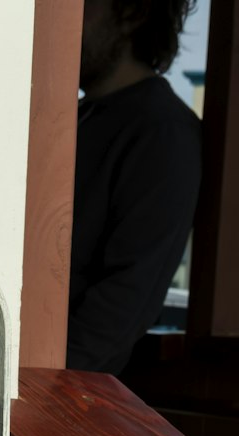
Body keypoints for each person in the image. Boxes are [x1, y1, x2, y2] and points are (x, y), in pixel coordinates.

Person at [67, 0, 202, 375]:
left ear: (132, 13)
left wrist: (29, 384)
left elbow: (126, 299)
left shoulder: (163, 131)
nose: (67, 18)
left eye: (82, 4)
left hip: (54, 396)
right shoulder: (74, 118)